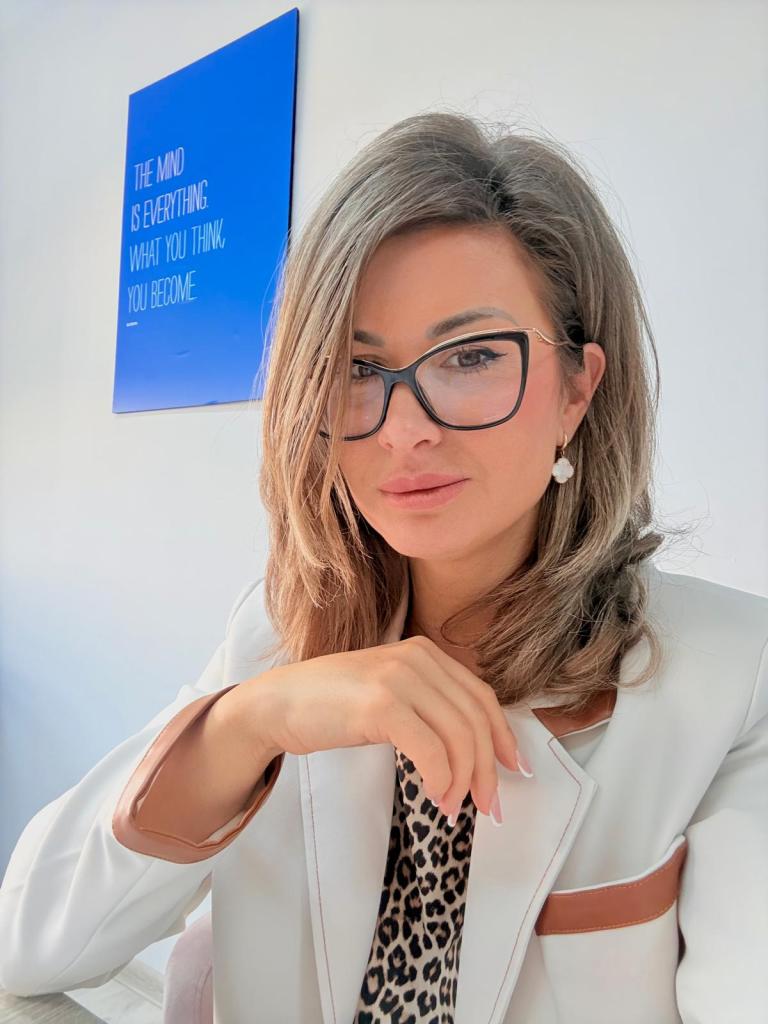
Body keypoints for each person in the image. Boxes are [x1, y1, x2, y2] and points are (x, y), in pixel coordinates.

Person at [1, 111, 766, 1024]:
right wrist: (252, 722)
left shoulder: (732, 679)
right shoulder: (278, 635)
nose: (405, 429)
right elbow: (30, 943)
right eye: (358, 369)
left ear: (577, 388)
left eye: (472, 356)